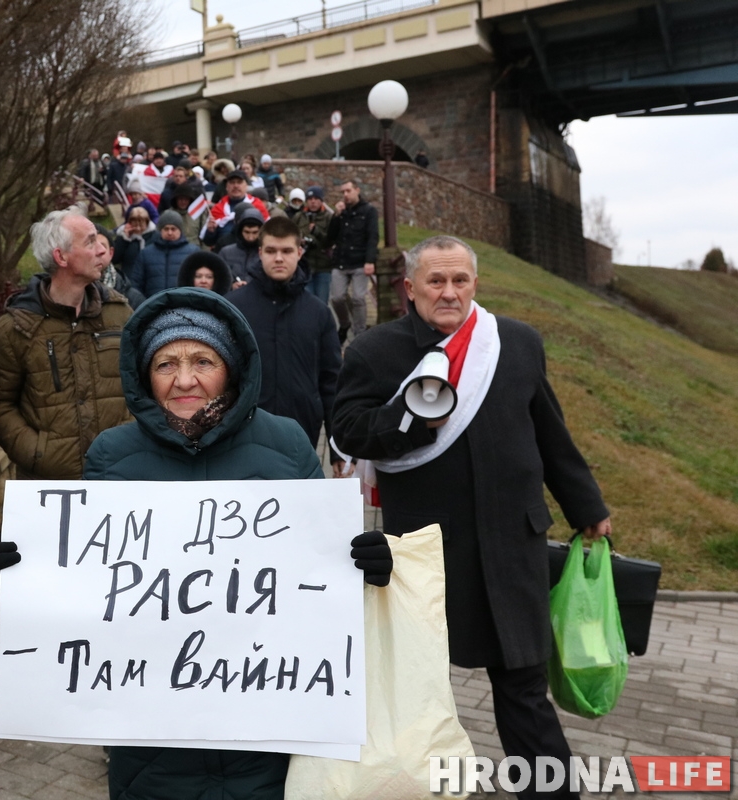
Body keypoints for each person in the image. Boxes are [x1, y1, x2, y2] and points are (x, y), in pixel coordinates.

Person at [330, 235, 612, 800]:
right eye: (436, 281)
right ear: (410, 289)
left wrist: (587, 507)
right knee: (420, 689)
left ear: (475, 284)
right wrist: (409, 419)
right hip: (429, 550)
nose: (449, 292)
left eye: (460, 280)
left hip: (513, 542)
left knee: (523, 686)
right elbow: (347, 432)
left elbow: (550, 432)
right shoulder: (374, 352)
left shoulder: (516, 342)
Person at [81, 287, 392, 799]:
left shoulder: (287, 443)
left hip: (267, 728)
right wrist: (35, 573)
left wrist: (365, 564)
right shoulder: (111, 455)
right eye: (165, 363)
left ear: (231, 367)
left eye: (203, 359)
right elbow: (91, 582)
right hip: (155, 735)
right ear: (143, 375)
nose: (185, 379)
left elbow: (323, 568)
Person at [0, 207, 132, 481]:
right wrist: (38, 454)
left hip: (118, 480)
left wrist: (130, 444)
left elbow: (142, 386)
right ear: (61, 257)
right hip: (49, 492)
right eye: (90, 241)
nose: (102, 249)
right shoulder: (16, 328)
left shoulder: (120, 314)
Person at [227, 216, 343, 460]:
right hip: (242, 437)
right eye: (271, 250)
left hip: (302, 435)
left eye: (286, 250)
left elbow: (331, 383)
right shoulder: (234, 308)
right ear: (260, 252)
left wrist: (338, 450)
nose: (278, 258)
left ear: (299, 252)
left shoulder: (318, 312)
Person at [325, 178, 379, 344]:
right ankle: (344, 324)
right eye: (343, 192)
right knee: (337, 298)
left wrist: (370, 260)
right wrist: (336, 216)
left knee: (358, 298)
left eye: (348, 191)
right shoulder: (342, 213)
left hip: (359, 261)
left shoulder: (369, 211)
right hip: (340, 261)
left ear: (357, 190)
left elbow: (373, 236)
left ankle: (360, 334)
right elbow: (329, 239)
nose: (345, 195)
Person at [129, 210, 199, 299]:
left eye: (173, 229)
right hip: (153, 306)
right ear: (160, 230)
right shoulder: (146, 253)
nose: (169, 232)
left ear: (180, 230)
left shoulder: (193, 252)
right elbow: (136, 283)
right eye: (166, 229)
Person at [295, 186, 335, 304]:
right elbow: (291, 236)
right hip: (305, 266)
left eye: (316, 198)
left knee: (322, 302)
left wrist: (316, 232)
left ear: (321, 200)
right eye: (310, 198)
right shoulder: (299, 217)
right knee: (307, 301)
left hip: (324, 266)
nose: (313, 201)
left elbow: (330, 240)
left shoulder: (328, 217)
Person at [217, 206, 264, 286]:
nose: (250, 237)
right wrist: (231, 286)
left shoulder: (267, 253)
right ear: (240, 231)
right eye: (247, 232)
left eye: (255, 232)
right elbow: (218, 277)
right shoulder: (226, 253)